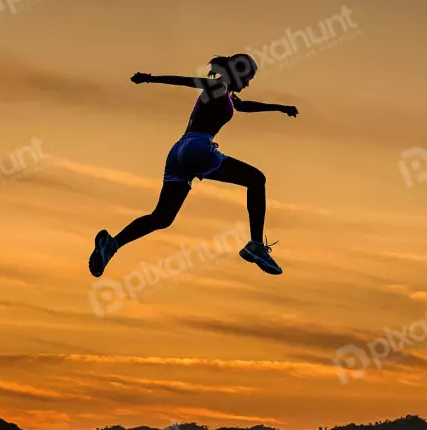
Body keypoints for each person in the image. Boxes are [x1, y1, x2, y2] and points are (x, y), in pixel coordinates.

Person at [88, 54, 298, 278]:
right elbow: (186, 81)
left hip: (178, 152)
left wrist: (280, 107)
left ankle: (113, 244)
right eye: (248, 78)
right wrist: (150, 79)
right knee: (257, 180)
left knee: (162, 217)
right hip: (198, 147)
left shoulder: (226, 93)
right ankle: (255, 245)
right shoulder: (218, 86)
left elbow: (244, 106)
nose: (248, 84)